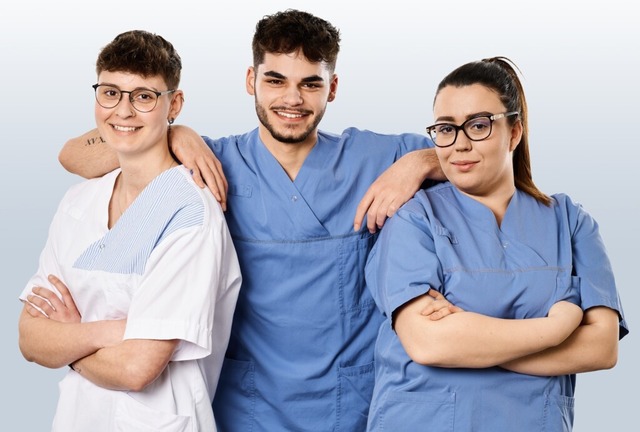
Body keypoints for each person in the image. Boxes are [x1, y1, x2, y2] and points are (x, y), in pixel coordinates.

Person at [57, 9, 443, 431]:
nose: (292, 100)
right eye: (275, 80)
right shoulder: (214, 161)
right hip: (247, 405)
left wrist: (420, 162)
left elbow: (476, 156)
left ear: (331, 89)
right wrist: (172, 131)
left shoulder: (374, 158)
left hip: (349, 402)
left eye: (310, 84)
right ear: (250, 82)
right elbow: (74, 155)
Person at [364, 57, 628, 431]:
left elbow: (602, 347)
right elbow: (431, 343)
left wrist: (474, 343)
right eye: (445, 129)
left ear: (514, 131)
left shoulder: (571, 222)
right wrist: (555, 330)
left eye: (478, 125)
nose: (460, 144)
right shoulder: (413, 219)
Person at [18, 30, 242, 431]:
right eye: (110, 92)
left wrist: (68, 340)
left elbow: (138, 367)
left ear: (174, 104)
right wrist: (111, 331)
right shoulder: (78, 202)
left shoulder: (190, 212)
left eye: (143, 96)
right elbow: (30, 338)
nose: (122, 111)